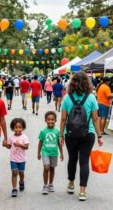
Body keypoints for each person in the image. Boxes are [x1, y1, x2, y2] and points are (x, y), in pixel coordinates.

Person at [60, 72, 103, 201]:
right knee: (84, 161)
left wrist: (61, 135)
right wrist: (99, 135)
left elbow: (63, 119)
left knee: (72, 159)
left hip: (71, 134)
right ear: (87, 82)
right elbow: (95, 119)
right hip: (88, 133)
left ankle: (71, 184)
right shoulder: (91, 97)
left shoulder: (67, 98)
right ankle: (83, 191)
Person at [38, 111, 63, 194]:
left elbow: (59, 143)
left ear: (55, 120)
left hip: (54, 153)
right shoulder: (43, 131)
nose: (50, 121)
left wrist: (62, 153)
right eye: (48, 119)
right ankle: (45, 185)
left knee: (52, 169)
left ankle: (50, 184)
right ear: (45, 120)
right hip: (45, 152)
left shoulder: (57, 132)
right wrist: (38, 153)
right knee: (46, 168)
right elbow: (40, 142)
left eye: (52, 119)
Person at [5, 118, 29, 197]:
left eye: (20, 127)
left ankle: (21, 181)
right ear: (13, 128)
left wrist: (20, 145)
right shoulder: (11, 138)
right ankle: (14, 188)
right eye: (16, 127)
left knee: (21, 173)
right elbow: (9, 146)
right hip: (13, 159)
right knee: (14, 172)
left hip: (22, 159)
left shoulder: (24, 137)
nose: (18, 129)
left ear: (23, 128)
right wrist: (5, 144)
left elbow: (26, 147)